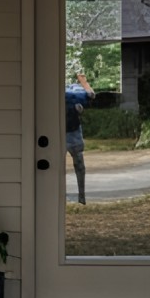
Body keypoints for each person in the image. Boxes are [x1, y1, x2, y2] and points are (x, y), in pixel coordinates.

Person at [65, 69, 95, 205]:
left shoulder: (74, 91)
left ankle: (81, 197)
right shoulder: (73, 93)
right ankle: (63, 196)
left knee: (79, 165)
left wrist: (83, 82)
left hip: (73, 131)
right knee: (58, 166)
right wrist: (84, 82)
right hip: (61, 131)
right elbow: (90, 95)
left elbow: (91, 95)